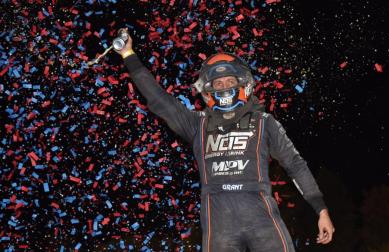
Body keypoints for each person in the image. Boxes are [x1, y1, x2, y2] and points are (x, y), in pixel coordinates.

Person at [115, 29, 335, 251]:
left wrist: (321, 210)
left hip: (261, 217)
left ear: (243, 83)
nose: (224, 87)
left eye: (230, 80)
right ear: (208, 89)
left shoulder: (264, 122)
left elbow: (295, 164)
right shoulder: (197, 124)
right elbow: (158, 99)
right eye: (218, 84)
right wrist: (128, 53)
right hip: (218, 221)